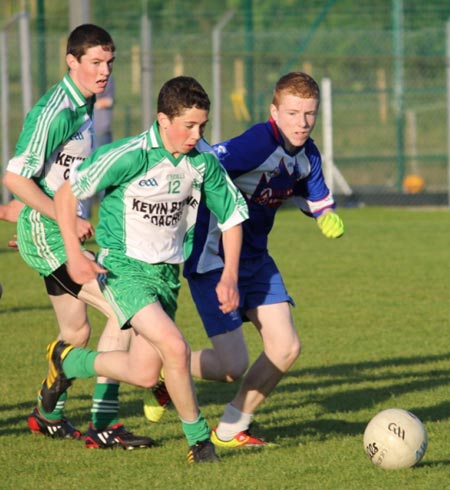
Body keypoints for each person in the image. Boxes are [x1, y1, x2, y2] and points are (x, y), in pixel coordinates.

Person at [42, 75, 249, 463]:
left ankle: (67, 360)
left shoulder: (202, 160)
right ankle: (200, 443)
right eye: (189, 125)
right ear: (163, 119)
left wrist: (230, 274)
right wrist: (74, 253)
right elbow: (67, 193)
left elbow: (233, 216)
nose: (196, 134)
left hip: (167, 275)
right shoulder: (131, 154)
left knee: (143, 373)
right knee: (175, 346)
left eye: (202, 125)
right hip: (124, 269)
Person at [145, 71, 345, 447]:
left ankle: (233, 426)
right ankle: (160, 367)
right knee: (231, 367)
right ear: (274, 111)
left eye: (309, 114)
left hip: (256, 259)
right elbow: (207, 161)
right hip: (212, 260)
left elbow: (314, 194)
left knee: (286, 348)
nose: (301, 123)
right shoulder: (257, 142)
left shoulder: (309, 154)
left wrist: (324, 216)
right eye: (292, 113)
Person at [2, 24, 153, 449]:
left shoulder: (84, 104)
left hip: (53, 231)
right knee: (125, 308)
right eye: (95, 62)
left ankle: (46, 413)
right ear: (72, 61)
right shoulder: (56, 111)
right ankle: (105, 424)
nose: (105, 71)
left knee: (76, 334)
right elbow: (15, 177)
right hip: (50, 234)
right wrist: (59, 218)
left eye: (109, 62)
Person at [81, 75, 115, 218]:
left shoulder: (107, 78)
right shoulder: (81, 78)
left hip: (101, 130)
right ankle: (83, 215)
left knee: (103, 173)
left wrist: (93, 104)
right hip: (85, 131)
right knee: (85, 173)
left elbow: (109, 100)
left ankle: (107, 214)